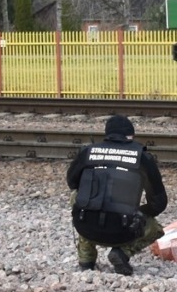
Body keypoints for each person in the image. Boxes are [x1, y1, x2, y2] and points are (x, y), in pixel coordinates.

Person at [66, 115, 168, 275]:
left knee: (79, 197)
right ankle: (122, 252)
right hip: (123, 231)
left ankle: (86, 261)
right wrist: (138, 213)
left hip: (87, 227)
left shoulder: (88, 152)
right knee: (156, 228)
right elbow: (159, 202)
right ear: (131, 136)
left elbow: (72, 182)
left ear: (107, 135)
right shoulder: (142, 157)